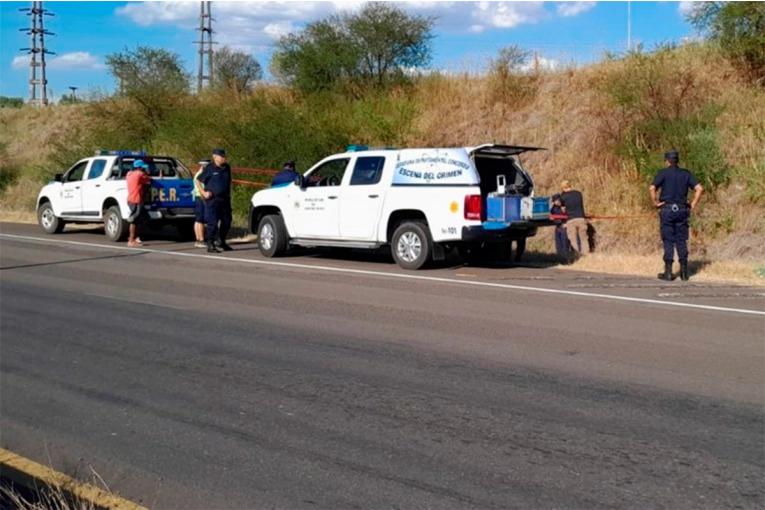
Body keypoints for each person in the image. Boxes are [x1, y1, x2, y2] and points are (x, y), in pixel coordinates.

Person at [649, 150, 704, 281]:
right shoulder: (685, 174)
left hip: (667, 210)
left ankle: (668, 272)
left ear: (667, 161)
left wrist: (656, 203)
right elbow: (699, 189)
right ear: (677, 160)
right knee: (681, 240)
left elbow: (652, 188)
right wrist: (694, 203)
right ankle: (684, 273)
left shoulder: (663, 173)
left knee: (668, 240)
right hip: (682, 209)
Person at [197, 148, 233, 253]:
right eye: (222, 156)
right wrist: (204, 193)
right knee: (212, 222)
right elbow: (198, 181)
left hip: (225, 199)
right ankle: (210, 244)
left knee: (227, 221)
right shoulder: (210, 168)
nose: (223, 158)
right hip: (213, 200)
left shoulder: (227, 168)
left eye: (224, 156)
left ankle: (221, 241)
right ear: (215, 157)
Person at [126, 159, 151, 247]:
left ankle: (136, 236)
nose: (144, 169)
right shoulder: (140, 174)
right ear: (139, 168)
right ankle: (131, 240)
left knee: (144, 218)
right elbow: (148, 179)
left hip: (131, 199)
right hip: (136, 200)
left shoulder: (129, 174)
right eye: (143, 168)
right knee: (134, 220)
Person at [559, 180, 588, 257]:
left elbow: (563, 209)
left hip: (571, 219)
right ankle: (586, 255)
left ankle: (576, 255)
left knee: (573, 239)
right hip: (581, 218)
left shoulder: (563, 197)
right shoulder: (579, 194)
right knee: (584, 238)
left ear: (563, 188)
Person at [193, 159, 210, 248]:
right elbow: (202, 189)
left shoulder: (197, 174)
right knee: (200, 220)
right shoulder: (200, 176)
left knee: (198, 220)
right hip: (201, 198)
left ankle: (198, 239)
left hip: (197, 198)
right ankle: (201, 239)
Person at [550, 193, 571, 261]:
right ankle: (559, 257)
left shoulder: (565, 206)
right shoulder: (554, 207)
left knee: (565, 242)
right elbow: (551, 213)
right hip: (558, 226)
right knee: (558, 242)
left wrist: (567, 223)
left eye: (556, 201)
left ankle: (566, 257)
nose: (555, 203)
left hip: (564, 226)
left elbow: (570, 215)